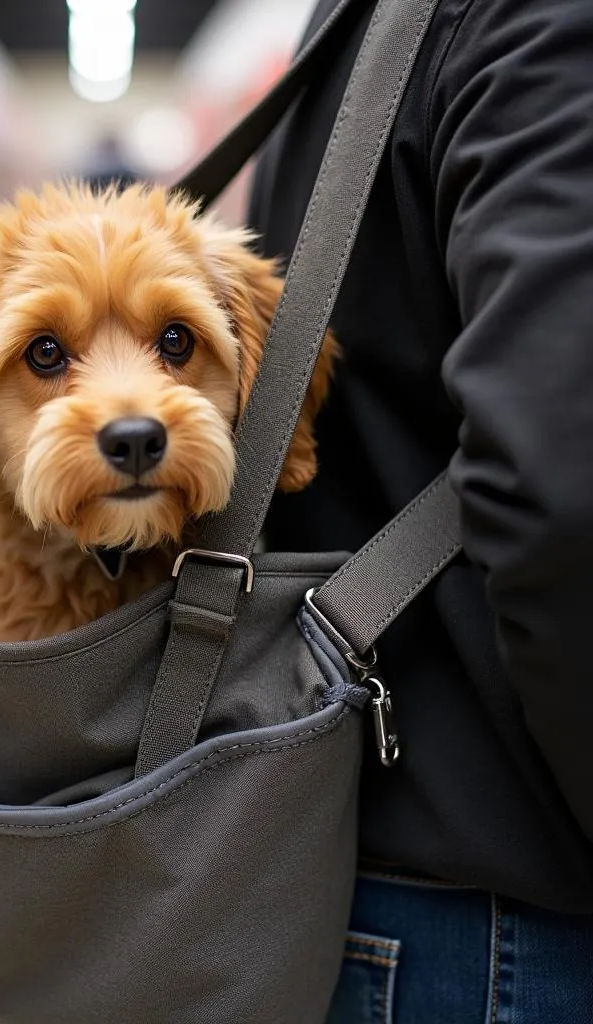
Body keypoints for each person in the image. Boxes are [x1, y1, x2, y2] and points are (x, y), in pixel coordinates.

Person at [249, 0, 593, 1020]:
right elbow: (560, 492)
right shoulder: (541, 22)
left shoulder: (359, 25)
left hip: (366, 861)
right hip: (517, 927)